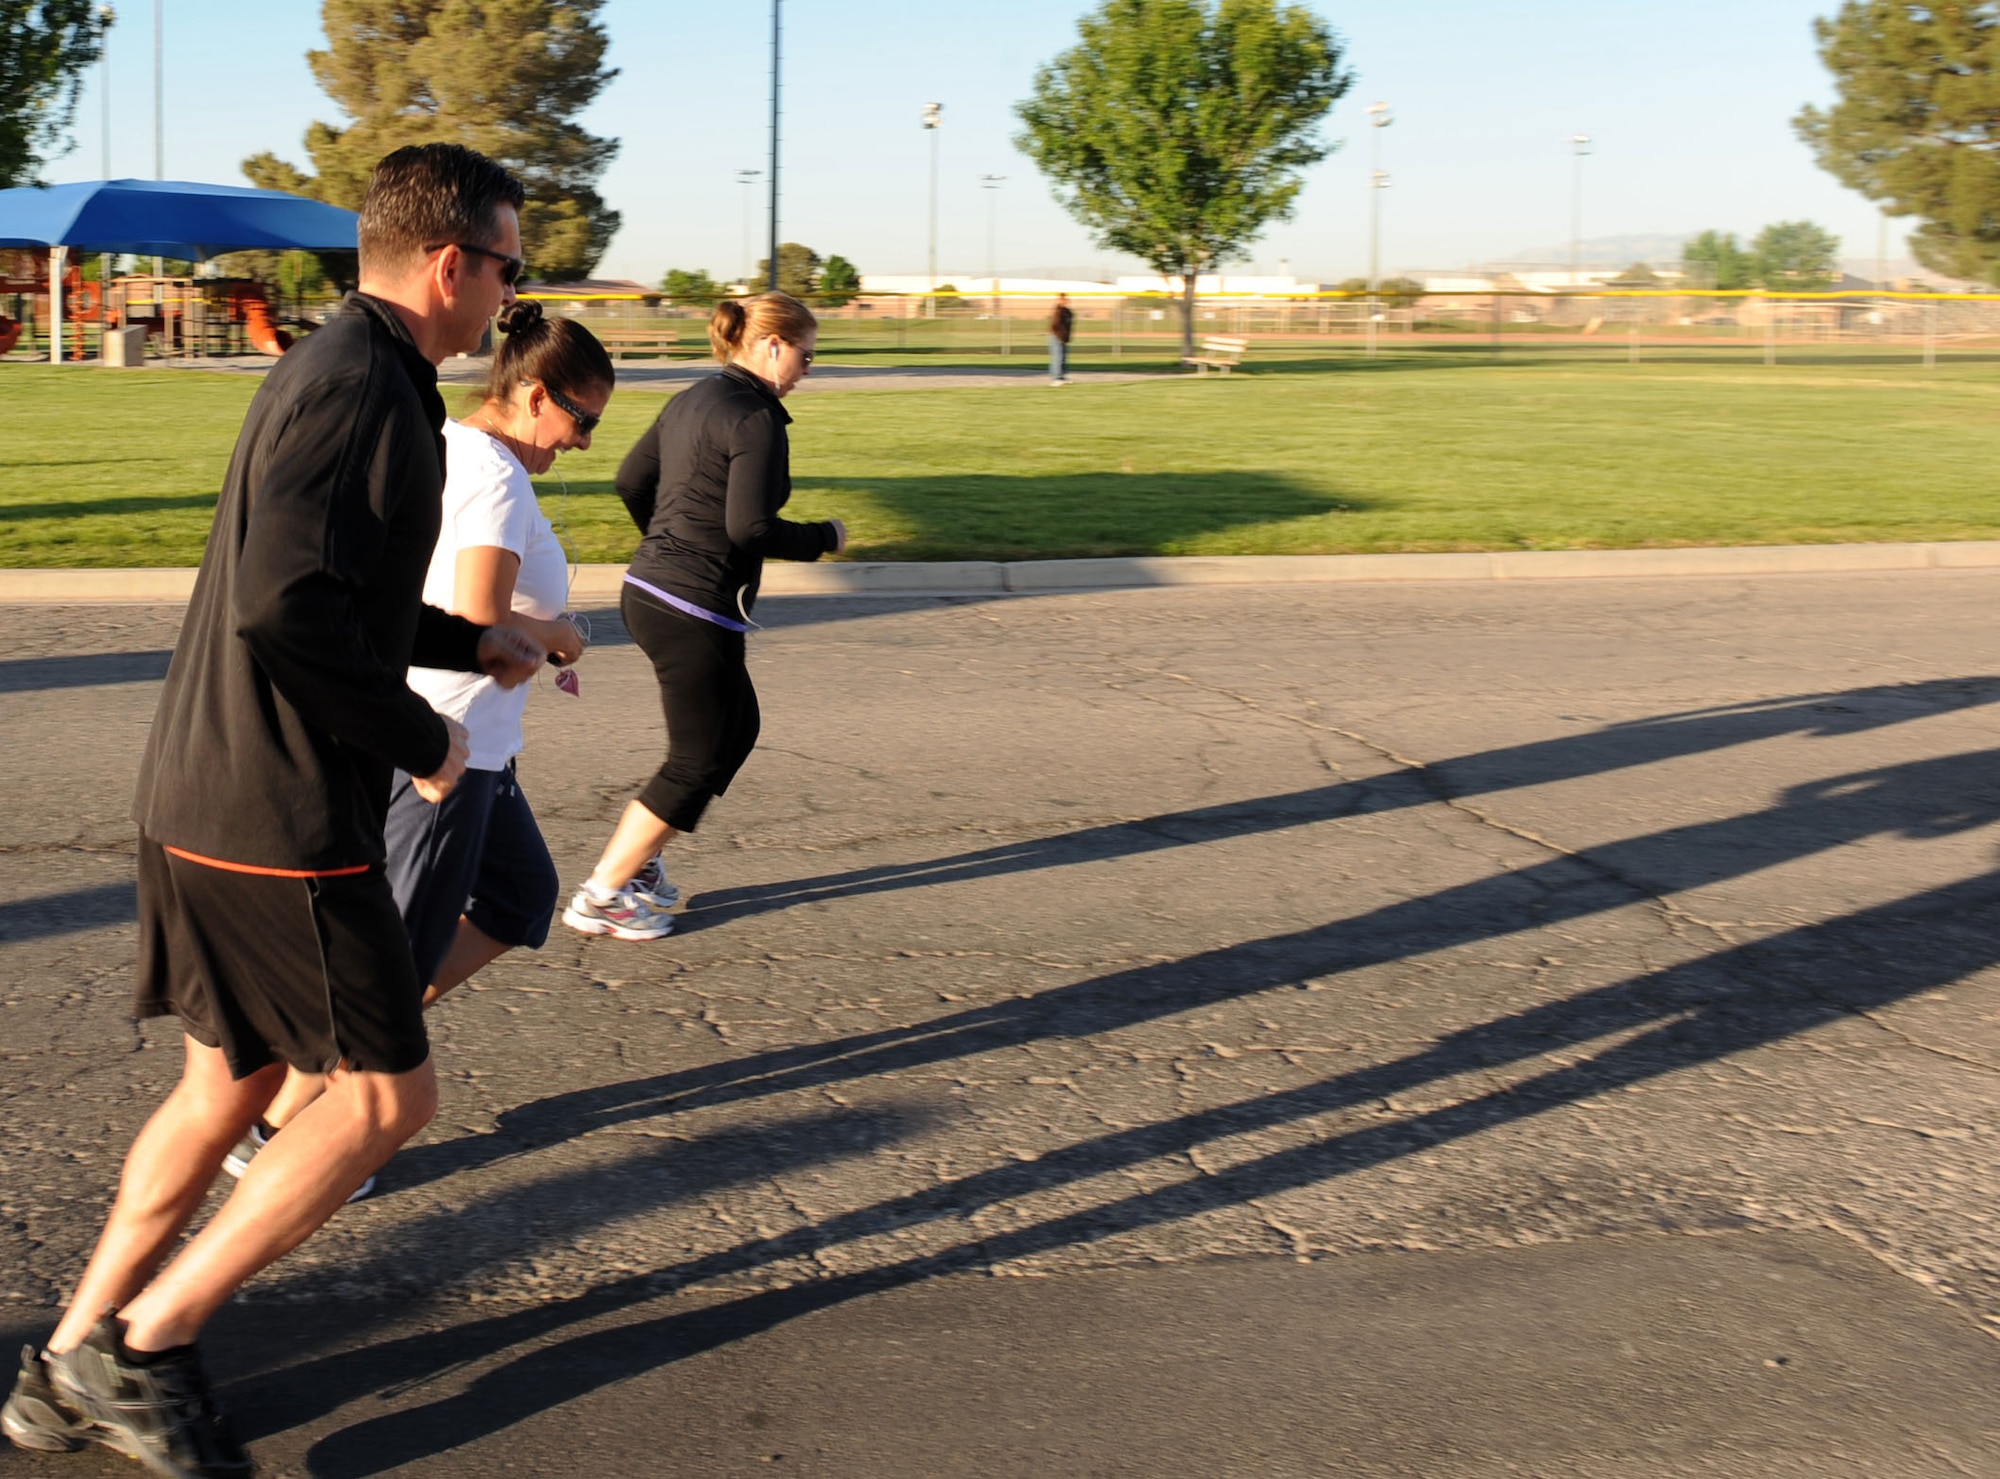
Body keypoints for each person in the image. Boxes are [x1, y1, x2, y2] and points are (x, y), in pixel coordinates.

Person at [1, 144, 543, 1478]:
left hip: (204, 786)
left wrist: (474, 645)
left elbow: (319, 587)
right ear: (450, 262)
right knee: (379, 1101)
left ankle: (64, 1359)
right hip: (279, 813)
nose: (513, 299)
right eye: (512, 269)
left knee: (225, 1084)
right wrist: (422, 735)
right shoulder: (372, 387)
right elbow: (283, 608)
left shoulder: (336, 365)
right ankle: (144, 1343)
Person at [218, 299, 611, 1198]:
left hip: (473, 739)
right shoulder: (497, 477)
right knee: (392, 965)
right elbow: (477, 614)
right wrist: (559, 635)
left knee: (520, 896)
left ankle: (320, 1090)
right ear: (536, 393)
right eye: (581, 419)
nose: (585, 441)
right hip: (447, 747)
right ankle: (292, 1130)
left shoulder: (465, 449)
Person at [561, 291, 845, 941]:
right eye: (806, 353)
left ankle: (641, 858)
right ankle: (603, 893)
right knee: (700, 753)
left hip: (654, 592)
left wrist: (662, 545)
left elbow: (632, 481)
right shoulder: (756, 418)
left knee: (735, 726)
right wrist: (822, 537)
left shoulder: (693, 398)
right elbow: (749, 528)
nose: (808, 366)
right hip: (691, 604)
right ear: (772, 346)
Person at [1048, 291, 1074, 385]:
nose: (1065, 301)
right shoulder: (1058, 310)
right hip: (1056, 336)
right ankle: (1056, 378)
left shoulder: (1067, 311)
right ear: (1059, 300)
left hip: (1064, 337)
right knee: (1057, 357)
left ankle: (1062, 377)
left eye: (1066, 299)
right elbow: (1055, 326)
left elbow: (1069, 325)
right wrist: (1060, 336)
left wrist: (1067, 337)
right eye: (1062, 299)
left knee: (1063, 357)